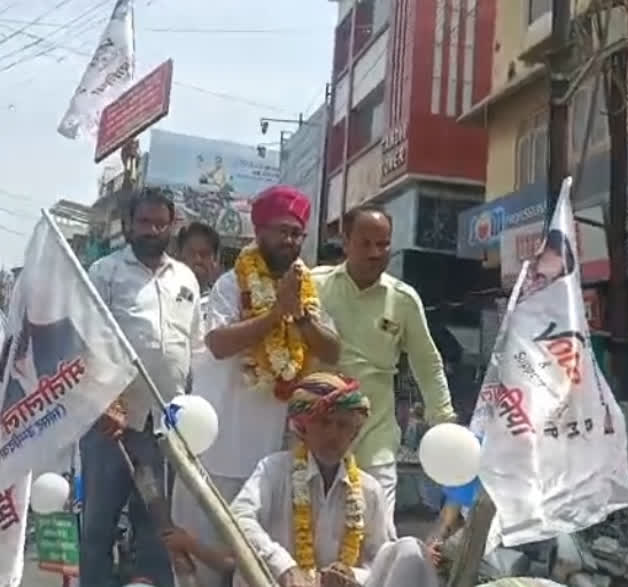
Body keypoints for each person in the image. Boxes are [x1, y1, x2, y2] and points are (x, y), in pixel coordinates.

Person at [177, 185, 339, 587]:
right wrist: (274, 314)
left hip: (265, 459)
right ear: (259, 231)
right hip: (213, 455)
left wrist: (298, 315)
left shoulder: (305, 290)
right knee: (201, 574)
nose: (289, 240)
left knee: (248, 571)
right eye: (280, 230)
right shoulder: (233, 284)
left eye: (296, 234)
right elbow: (217, 343)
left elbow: (332, 351)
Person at [82, 187, 205, 587]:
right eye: (144, 222)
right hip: (112, 424)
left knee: (157, 530)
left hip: (166, 428)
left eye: (160, 223)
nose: (152, 230)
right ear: (128, 226)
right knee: (99, 526)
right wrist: (105, 401)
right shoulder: (105, 272)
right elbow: (86, 342)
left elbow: (197, 349)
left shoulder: (185, 277)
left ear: (172, 226)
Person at [311, 205, 454, 538]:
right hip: (316, 432)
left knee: (376, 537)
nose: (376, 253)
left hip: (373, 437)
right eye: (365, 243)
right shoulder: (315, 285)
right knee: (313, 531)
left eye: (384, 244)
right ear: (345, 242)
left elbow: (427, 362)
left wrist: (444, 420)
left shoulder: (403, 299)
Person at [229, 372, 439, 587]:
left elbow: (382, 560)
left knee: (410, 549)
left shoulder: (369, 489)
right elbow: (237, 518)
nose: (333, 433)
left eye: (343, 425)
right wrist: (284, 566)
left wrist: (352, 575)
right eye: (324, 422)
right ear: (304, 427)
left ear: (354, 434)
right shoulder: (273, 470)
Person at [177, 221, 221, 295]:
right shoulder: (163, 295)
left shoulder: (222, 299)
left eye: (204, 254)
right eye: (191, 253)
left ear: (215, 261)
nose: (198, 260)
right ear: (179, 258)